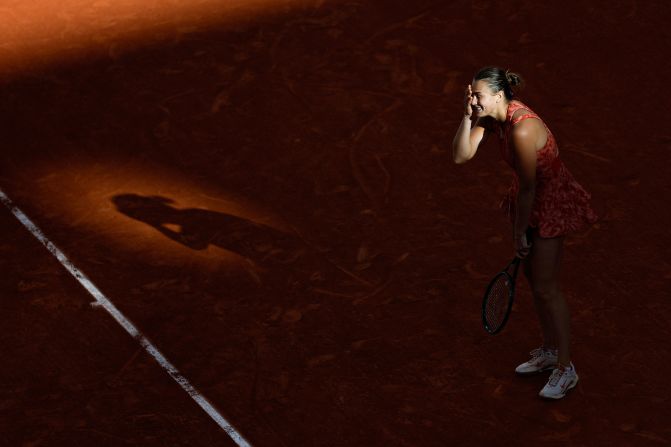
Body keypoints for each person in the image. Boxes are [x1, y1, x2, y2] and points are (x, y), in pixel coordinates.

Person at [451, 66, 597, 399]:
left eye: (478, 95)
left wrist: (520, 235)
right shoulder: (492, 118)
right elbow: (461, 156)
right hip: (528, 199)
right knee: (534, 279)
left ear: (499, 96)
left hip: (547, 201)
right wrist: (466, 116)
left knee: (547, 287)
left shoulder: (521, 130)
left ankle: (565, 367)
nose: (474, 99)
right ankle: (548, 351)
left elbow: (531, 188)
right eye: (470, 94)